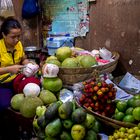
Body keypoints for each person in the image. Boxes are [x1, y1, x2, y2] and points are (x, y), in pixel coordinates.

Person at [0, 16, 30, 111]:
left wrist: (28, 64)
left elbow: (23, 58)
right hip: (3, 83)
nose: (17, 40)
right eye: (13, 37)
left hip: (18, 79)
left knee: (35, 89)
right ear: (4, 35)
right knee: (5, 105)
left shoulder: (19, 44)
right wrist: (10, 69)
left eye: (18, 36)